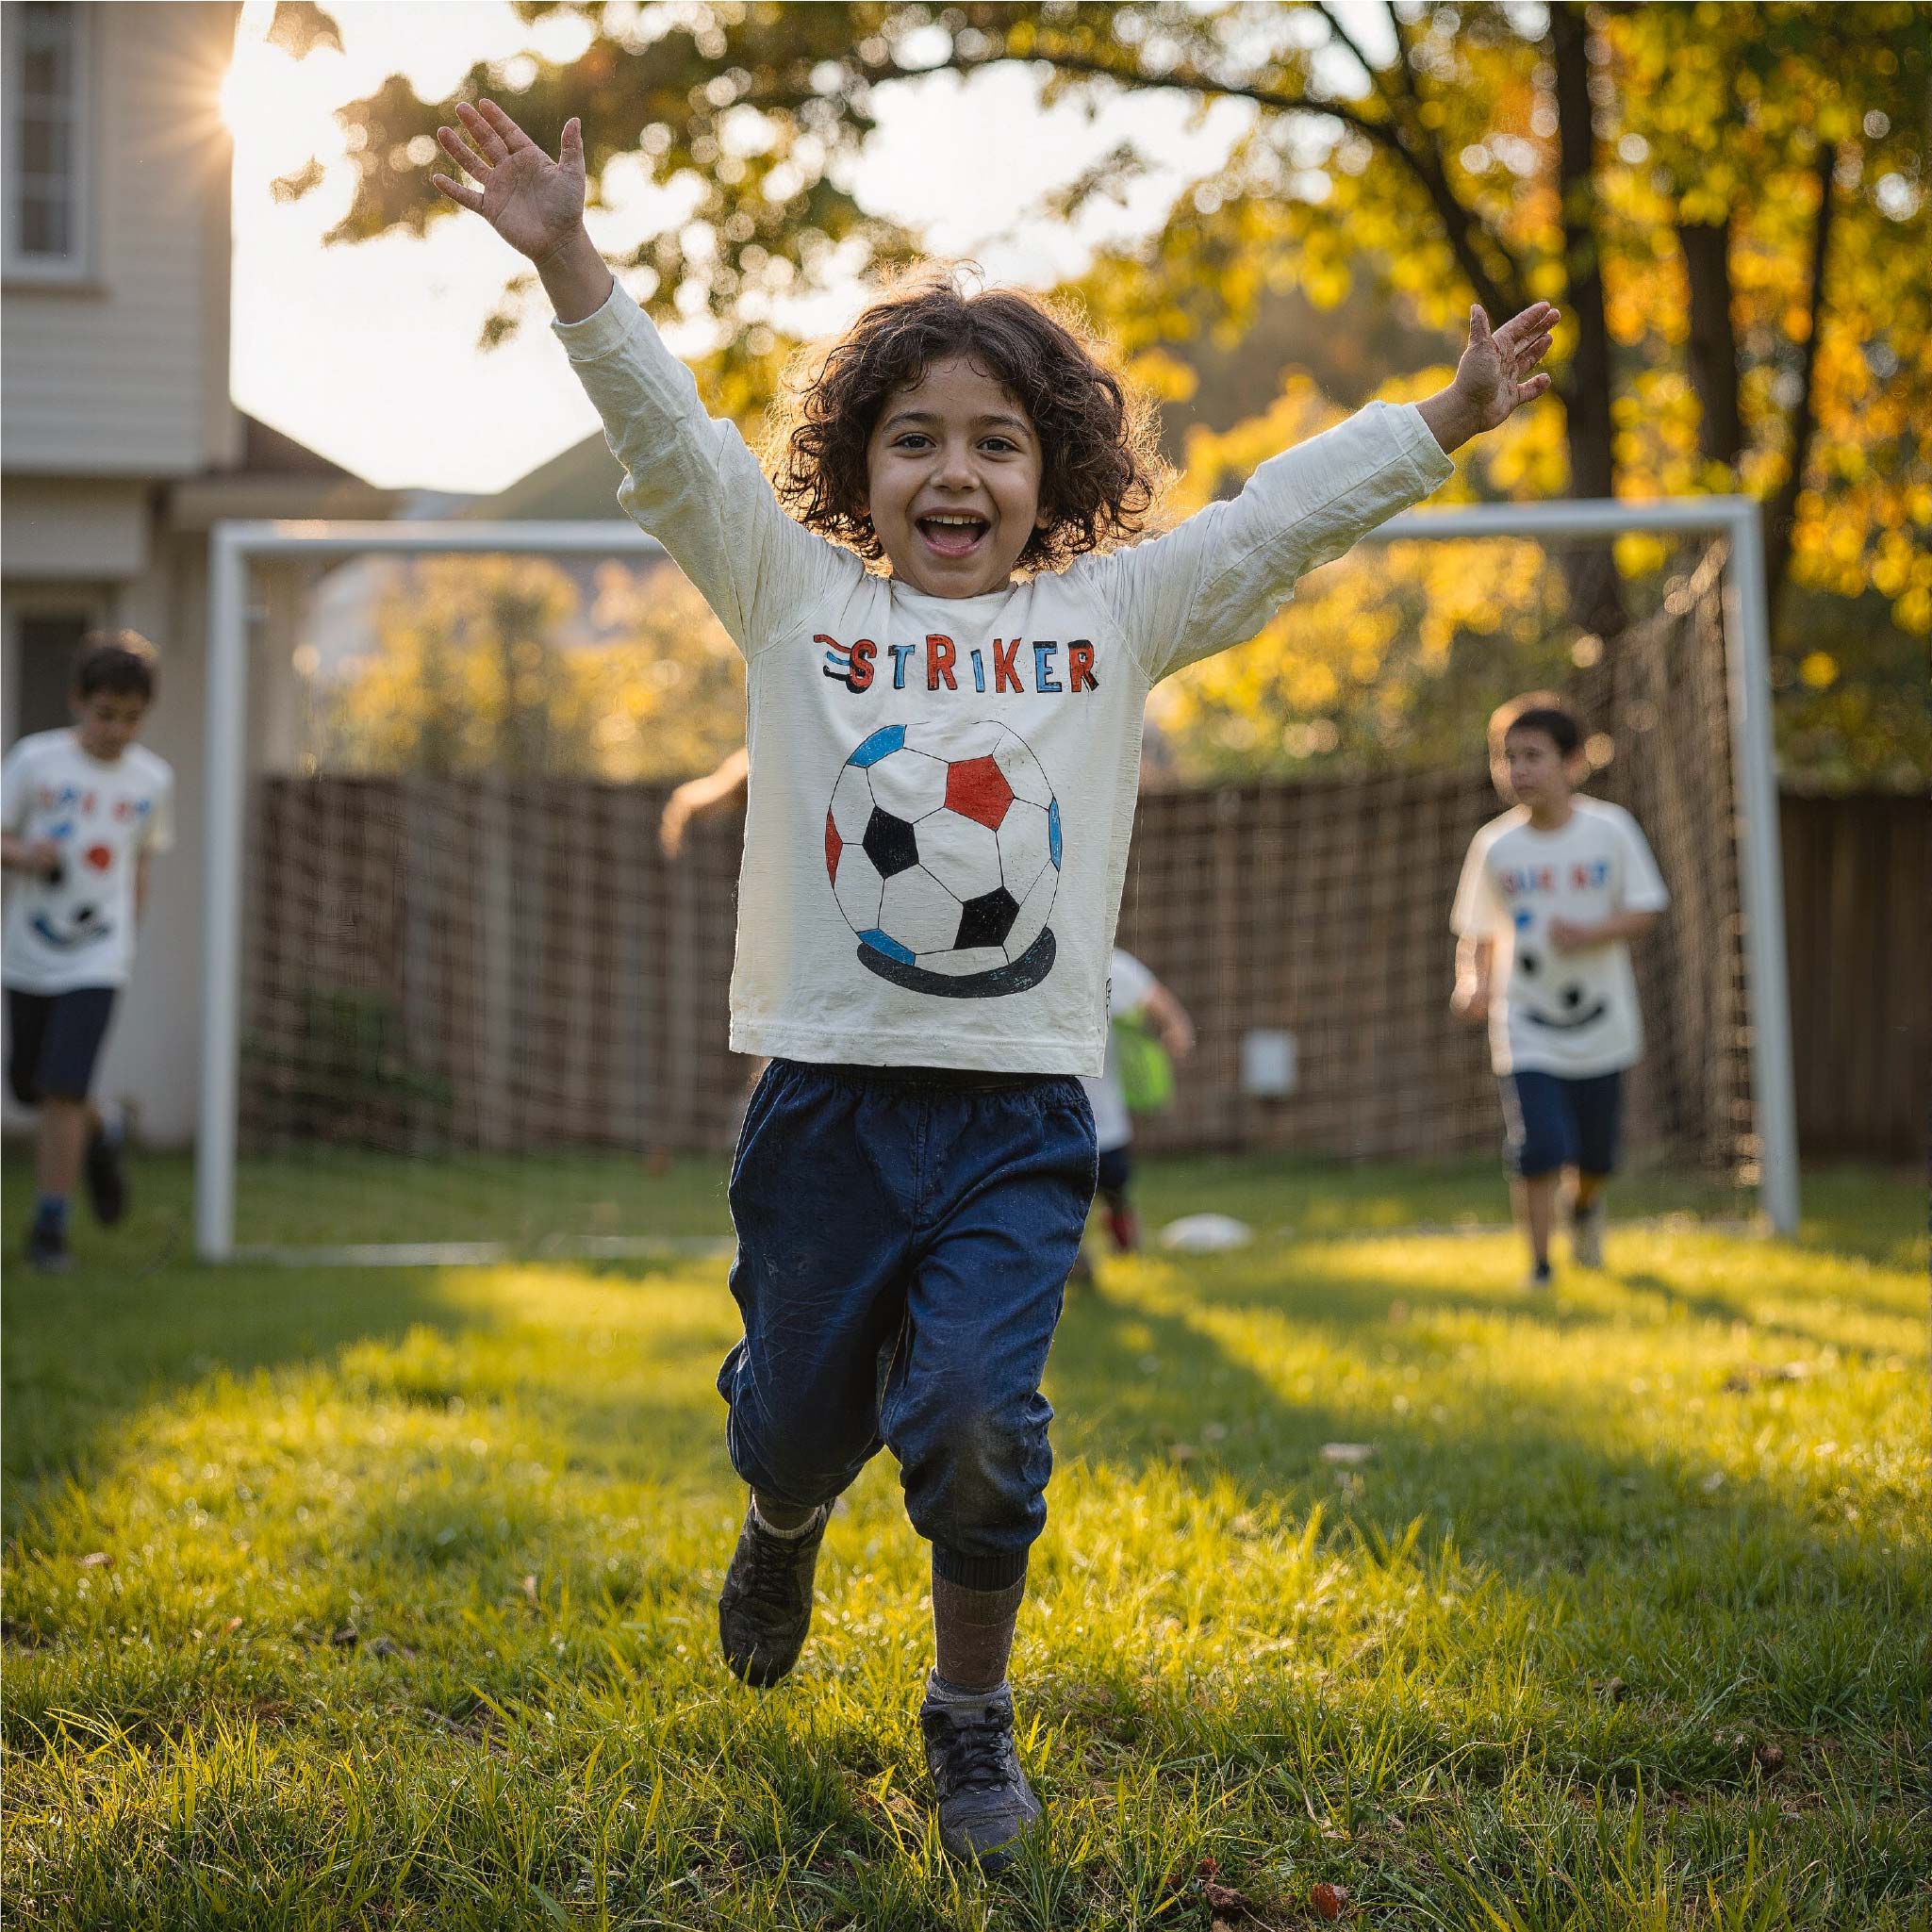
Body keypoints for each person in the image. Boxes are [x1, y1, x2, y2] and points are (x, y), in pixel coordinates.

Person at [433, 97, 1556, 1869]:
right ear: (855, 470)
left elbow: (1275, 523)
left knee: (970, 1421)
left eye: (996, 445)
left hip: (1022, 1110)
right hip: (823, 1098)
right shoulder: (789, 594)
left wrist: (1436, 419)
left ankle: (967, 1714)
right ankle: (782, 1516)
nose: (952, 474)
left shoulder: (1108, 623)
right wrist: (570, 252)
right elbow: (670, 444)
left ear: (1057, 476)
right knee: (795, 1415)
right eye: (911, 441)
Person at [1450, 693, 1669, 1289]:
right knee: (1539, 1145)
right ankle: (1541, 1269)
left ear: (1572, 764)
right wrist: (1472, 983)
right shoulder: (1495, 846)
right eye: (1507, 757)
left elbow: (1646, 908)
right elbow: (1479, 932)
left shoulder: (1611, 829)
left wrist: (1591, 932)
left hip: (1603, 1022)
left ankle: (1586, 1208)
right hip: (1526, 1023)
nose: (1517, 770)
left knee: (1596, 1155)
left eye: (1533, 756)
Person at [1, 632, 174, 1272]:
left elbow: (141, 865)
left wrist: (128, 938)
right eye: (106, 713)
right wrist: (26, 853)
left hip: (98, 959)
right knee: (28, 1086)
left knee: (62, 1088)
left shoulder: (153, 780)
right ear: (79, 701)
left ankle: (50, 1229)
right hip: (26, 953)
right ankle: (104, 1130)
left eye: (131, 718)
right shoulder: (36, 761)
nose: (117, 729)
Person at [1074, 949, 1194, 1276]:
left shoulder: (1109, 963)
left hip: (1103, 1112)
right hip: (1050, 1110)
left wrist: (1175, 1030)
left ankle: (1125, 1246)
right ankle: (1072, 1261)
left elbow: (1159, 1003)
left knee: (1114, 1183)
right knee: (1063, 1190)